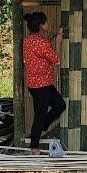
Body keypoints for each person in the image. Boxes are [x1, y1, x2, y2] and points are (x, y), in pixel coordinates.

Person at [23, 12, 66, 155]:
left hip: (36, 84)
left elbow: (42, 48)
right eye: (46, 22)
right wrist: (58, 42)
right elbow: (56, 60)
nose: (49, 24)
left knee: (59, 105)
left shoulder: (28, 40)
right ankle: (34, 149)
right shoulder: (42, 43)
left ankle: (43, 125)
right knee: (40, 116)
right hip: (42, 85)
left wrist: (54, 37)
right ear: (41, 26)